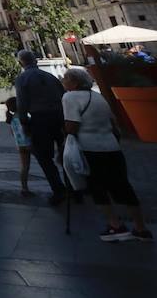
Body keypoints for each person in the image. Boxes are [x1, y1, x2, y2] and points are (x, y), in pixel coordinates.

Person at [61, 67, 152, 242]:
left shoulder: (69, 97)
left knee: (98, 188)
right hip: (111, 146)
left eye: (65, 79)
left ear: (74, 82)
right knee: (123, 187)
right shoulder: (97, 96)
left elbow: (72, 126)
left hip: (90, 148)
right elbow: (113, 123)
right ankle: (141, 228)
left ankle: (115, 225)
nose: (63, 82)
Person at [13, 49, 67, 205]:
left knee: (44, 157)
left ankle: (58, 190)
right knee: (64, 153)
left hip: (39, 119)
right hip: (58, 117)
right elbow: (63, 95)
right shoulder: (50, 76)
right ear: (35, 61)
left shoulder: (22, 79)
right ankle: (74, 187)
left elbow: (21, 103)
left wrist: (24, 123)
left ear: (21, 63)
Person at [3, 97, 32, 195]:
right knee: (30, 165)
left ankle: (24, 188)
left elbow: (13, 133)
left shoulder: (12, 119)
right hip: (29, 144)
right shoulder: (24, 118)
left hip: (20, 145)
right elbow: (28, 131)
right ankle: (25, 189)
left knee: (24, 167)